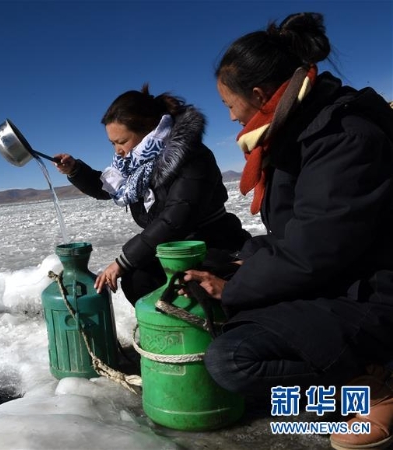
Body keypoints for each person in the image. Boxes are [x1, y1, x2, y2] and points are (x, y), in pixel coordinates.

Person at [181, 12, 393, 450]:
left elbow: (315, 250)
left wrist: (233, 289)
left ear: (259, 95)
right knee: (227, 303)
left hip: (373, 292)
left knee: (233, 361)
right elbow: (301, 234)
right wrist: (241, 264)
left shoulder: (343, 137)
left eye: (229, 105)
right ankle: (349, 378)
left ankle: (378, 387)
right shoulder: (298, 133)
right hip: (340, 279)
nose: (231, 116)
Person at [54, 85, 251, 304]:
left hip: (211, 246)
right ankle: (164, 331)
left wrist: (123, 261)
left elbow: (175, 218)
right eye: (113, 143)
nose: (117, 151)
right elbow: (109, 187)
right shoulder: (136, 166)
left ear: (148, 129)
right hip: (172, 248)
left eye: (122, 142)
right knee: (136, 279)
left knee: (181, 288)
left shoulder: (191, 157)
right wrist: (75, 170)